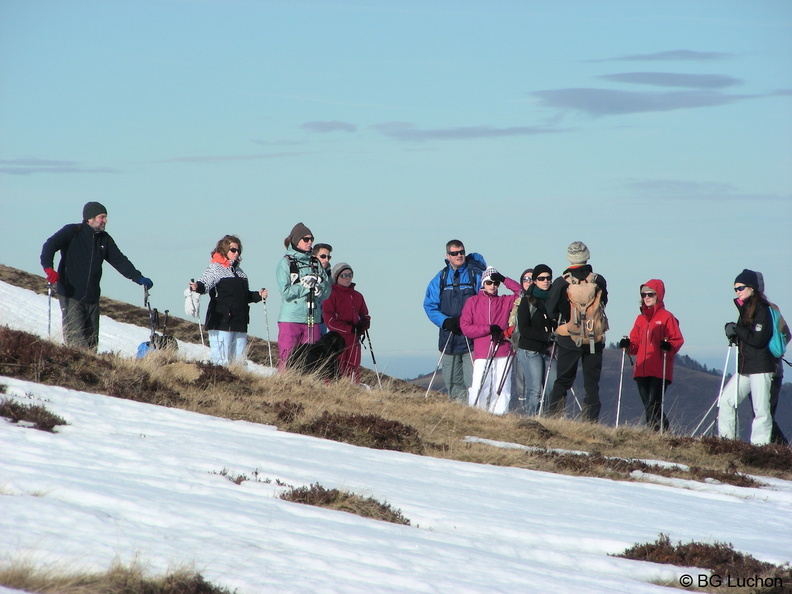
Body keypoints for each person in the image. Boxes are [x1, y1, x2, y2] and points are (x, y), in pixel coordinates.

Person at [40, 202, 153, 351]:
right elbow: (50, 245)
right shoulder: (73, 231)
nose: (105, 221)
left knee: (92, 345)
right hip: (71, 295)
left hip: (92, 299)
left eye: (105, 217)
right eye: (102, 217)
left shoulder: (104, 239)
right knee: (76, 343)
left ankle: (89, 372)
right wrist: (48, 268)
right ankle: (75, 373)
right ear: (90, 218)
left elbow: (119, 260)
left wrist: (139, 278)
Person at [546, 241, 608, 422]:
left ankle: (553, 419)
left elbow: (550, 310)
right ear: (587, 256)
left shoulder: (561, 282)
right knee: (591, 384)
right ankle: (590, 422)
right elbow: (603, 303)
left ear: (569, 258)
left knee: (563, 381)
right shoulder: (598, 280)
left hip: (568, 337)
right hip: (594, 338)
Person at [717, 269, 776, 446]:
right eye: (735, 288)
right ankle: (727, 442)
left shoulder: (762, 309)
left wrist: (737, 329)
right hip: (746, 366)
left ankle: (759, 448)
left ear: (752, 288)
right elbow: (747, 336)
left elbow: (758, 339)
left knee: (761, 410)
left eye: (740, 287)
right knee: (726, 401)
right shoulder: (746, 309)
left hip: (761, 366)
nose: (737, 291)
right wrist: (735, 332)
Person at [424, 240, 487, 403]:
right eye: (454, 253)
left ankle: (475, 414)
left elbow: (485, 301)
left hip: (471, 339)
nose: (459, 255)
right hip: (449, 337)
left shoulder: (476, 275)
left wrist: (469, 321)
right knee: (452, 381)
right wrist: (445, 322)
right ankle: (460, 415)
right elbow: (430, 304)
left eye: (461, 252)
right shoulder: (441, 278)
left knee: (473, 382)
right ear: (447, 256)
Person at [189, 235, 266, 366]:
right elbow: (205, 284)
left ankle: (238, 383)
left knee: (239, 362)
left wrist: (258, 295)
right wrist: (197, 287)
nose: (236, 253)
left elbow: (243, 296)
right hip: (221, 322)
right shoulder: (215, 268)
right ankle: (218, 383)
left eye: (238, 250)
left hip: (240, 322)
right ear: (224, 250)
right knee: (221, 361)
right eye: (233, 250)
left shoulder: (240, 272)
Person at [619, 280, 684, 431]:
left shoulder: (667, 317)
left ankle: (661, 434)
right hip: (641, 369)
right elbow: (634, 344)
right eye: (643, 294)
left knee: (652, 405)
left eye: (650, 294)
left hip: (659, 369)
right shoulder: (640, 319)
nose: (646, 297)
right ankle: (657, 434)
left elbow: (677, 340)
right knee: (649, 407)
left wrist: (669, 346)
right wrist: (627, 345)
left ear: (658, 295)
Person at [460, 267, 521, 414]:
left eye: (496, 283)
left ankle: (499, 415)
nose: (493, 286)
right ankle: (476, 414)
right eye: (489, 282)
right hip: (482, 351)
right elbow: (466, 327)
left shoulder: (505, 300)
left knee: (502, 386)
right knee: (480, 385)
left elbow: (521, 294)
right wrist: (488, 329)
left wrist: (504, 279)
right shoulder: (472, 302)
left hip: (503, 349)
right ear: (483, 284)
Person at [276, 223, 331, 371]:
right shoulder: (285, 262)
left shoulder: (315, 262)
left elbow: (327, 291)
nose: (309, 242)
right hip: (291, 318)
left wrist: (320, 288)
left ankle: (308, 391)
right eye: (305, 239)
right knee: (287, 358)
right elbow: (286, 292)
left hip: (313, 318)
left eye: (311, 239)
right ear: (296, 240)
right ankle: (284, 388)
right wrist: (304, 286)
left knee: (312, 361)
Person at [514, 264, 556, 416]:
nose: (545, 281)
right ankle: (531, 420)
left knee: (551, 385)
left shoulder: (553, 301)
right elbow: (524, 329)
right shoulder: (527, 301)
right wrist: (547, 336)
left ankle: (543, 418)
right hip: (529, 350)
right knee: (535, 388)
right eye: (541, 278)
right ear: (535, 281)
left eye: (548, 278)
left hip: (546, 350)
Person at [322, 262, 371, 383]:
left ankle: (353, 391)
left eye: (350, 275)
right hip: (337, 340)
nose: (348, 278)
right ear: (336, 277)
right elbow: (330, 322)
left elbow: (364, 314)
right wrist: (350, 328)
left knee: (353, 367)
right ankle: (333, 392)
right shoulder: (330, 295)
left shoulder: (357, 296)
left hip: (354, 339)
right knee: (337, 367)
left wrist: (365, 323)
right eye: (344, 275)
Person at [312, 243, 333, 335]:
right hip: (309, 318)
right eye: (323, 256)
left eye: (328, 257)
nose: (326, 260)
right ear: (314, 256)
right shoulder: (308, 273)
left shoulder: (330, 277)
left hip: (323, 319)